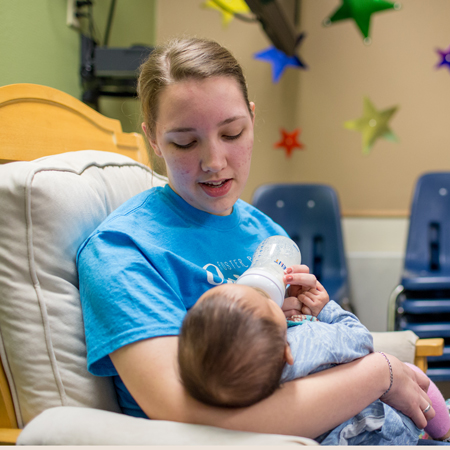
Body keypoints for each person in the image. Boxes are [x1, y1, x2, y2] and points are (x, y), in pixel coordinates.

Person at [76, 36, 436, 440]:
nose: (214, 162)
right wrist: (378, 374)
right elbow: (182, 411)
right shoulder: (123, 250)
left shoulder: (267, 235)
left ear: (251, 118)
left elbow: (309, 346)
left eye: (231, 134)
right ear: (154, 139)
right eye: (184, 142)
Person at [178, 282, 450, 444]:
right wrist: (326, 310)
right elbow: (360, 340)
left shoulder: (242, 380)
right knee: (413, 375)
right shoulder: (309, 340)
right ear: (287, 351)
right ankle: (443, 431)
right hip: (386, 430)